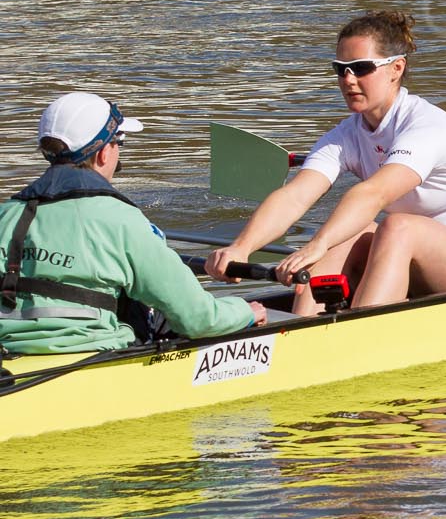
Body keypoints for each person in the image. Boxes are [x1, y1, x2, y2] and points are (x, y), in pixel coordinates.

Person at [207, 11, 446, 314]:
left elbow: (374, 194)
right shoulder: (346, 134)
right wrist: (241, 247)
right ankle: (302, 330)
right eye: (340, 70)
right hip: (416, 254)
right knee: (351, 231)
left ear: (396, 68)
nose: (348, 80)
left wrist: (319, 244)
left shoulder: (427, 127)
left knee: (395, 227)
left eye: (361, 68)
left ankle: (359, 335)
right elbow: (296, 195)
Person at [1, 94, 265, 355]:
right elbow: (199, 320)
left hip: (11, 354)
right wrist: (244, 312)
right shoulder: (121, 219)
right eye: (120, 142)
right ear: (105, 153)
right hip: (91, 354)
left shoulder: (7, 214)